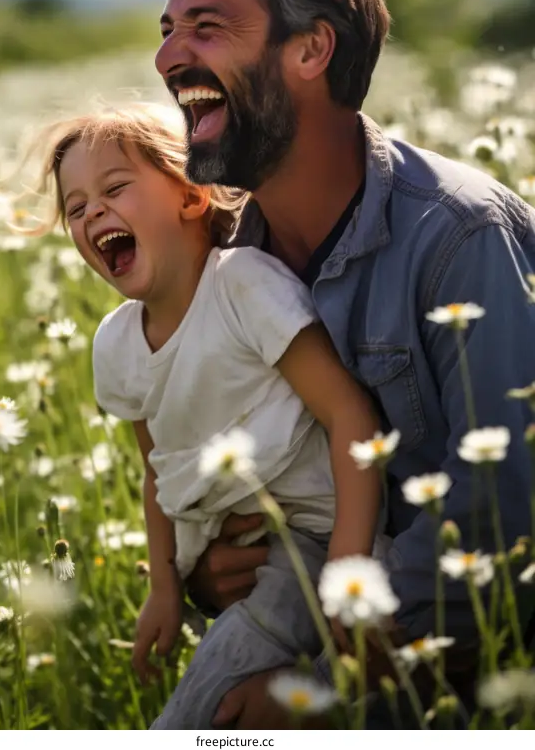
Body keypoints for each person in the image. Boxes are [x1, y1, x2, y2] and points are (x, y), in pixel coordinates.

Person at [154, 0, 535, 727]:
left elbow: (507, 528)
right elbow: (219, 476)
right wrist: (212, 564)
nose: (170, 56)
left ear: (312, 50)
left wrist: (329, 693)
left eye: (207, 27)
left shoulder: (457, 240)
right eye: (169, 30)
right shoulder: (222, 267)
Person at [26, 103, 386, 728]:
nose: (93, 213)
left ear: (192, 199)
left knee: (202, 713)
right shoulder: (114, 346)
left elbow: (349, 412)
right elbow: (155, 474)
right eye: (76, 208)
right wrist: (164, 590)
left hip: (313, 541)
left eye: (114, 189)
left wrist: (348, 566)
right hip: (234, 554)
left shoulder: (242, 285)